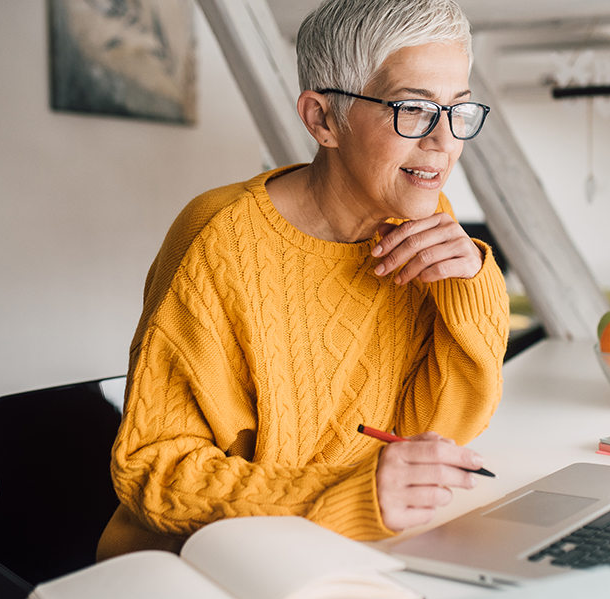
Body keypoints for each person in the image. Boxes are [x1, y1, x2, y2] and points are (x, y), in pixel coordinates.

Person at [96, 0, 510, 561]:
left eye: (458, 110)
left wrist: (471, 283)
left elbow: (443, 427)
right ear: (322, 119)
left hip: (338, 550)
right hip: (198, 565)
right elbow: (155, 472)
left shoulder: (418, 218)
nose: (444, 142)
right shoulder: (218, 239)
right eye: (413, 109)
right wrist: (340, 496)